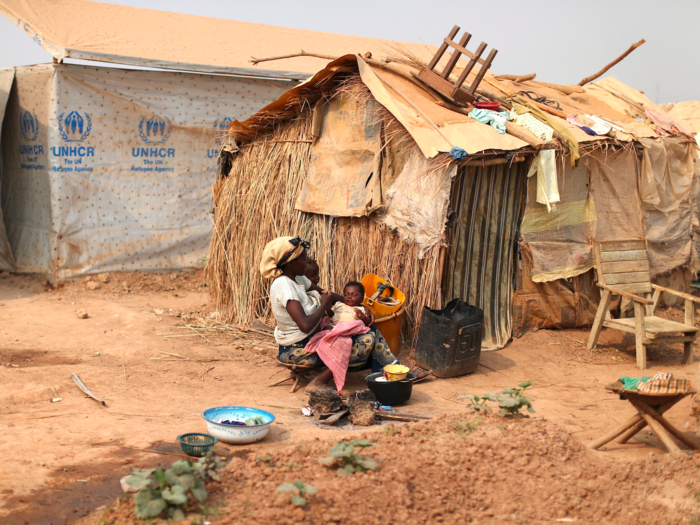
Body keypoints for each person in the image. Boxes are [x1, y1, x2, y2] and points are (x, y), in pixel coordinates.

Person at [260, 236, 399, 391]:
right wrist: (324, 304)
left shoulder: (298, 279)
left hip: (314, 338)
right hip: (297, 349)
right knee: (365, 341)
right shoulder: (283, 285)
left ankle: (393, 371)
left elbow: (329, 295)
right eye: (303, 260)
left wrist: (360, 307)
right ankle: (319, 381)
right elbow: (305, 326)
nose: (306, 264)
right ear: (291, 263)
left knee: (366, 328)